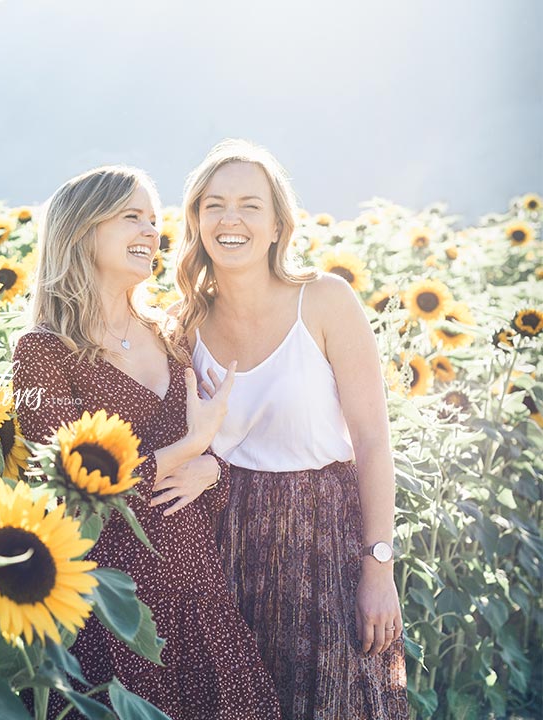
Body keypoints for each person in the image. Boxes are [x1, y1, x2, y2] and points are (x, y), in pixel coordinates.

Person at [12, 165, 281, 719]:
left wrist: (211, 468)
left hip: (198, 588)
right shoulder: (42, 351)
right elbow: (63, 484)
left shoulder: (169, 332)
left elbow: (209, 458)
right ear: (83, 229)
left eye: (154, 220)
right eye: (131, 217)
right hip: (114, 606)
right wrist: (189, 449)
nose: (150, 232)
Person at [173, 139, 410, 719]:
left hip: (325, 534)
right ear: (197, 221)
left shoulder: (325, 301)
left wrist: (379, 568)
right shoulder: (185, 322)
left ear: (278, 224)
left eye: (250, 205)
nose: (231, 219)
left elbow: (374, 443)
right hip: (222, 535)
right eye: (215, 205)